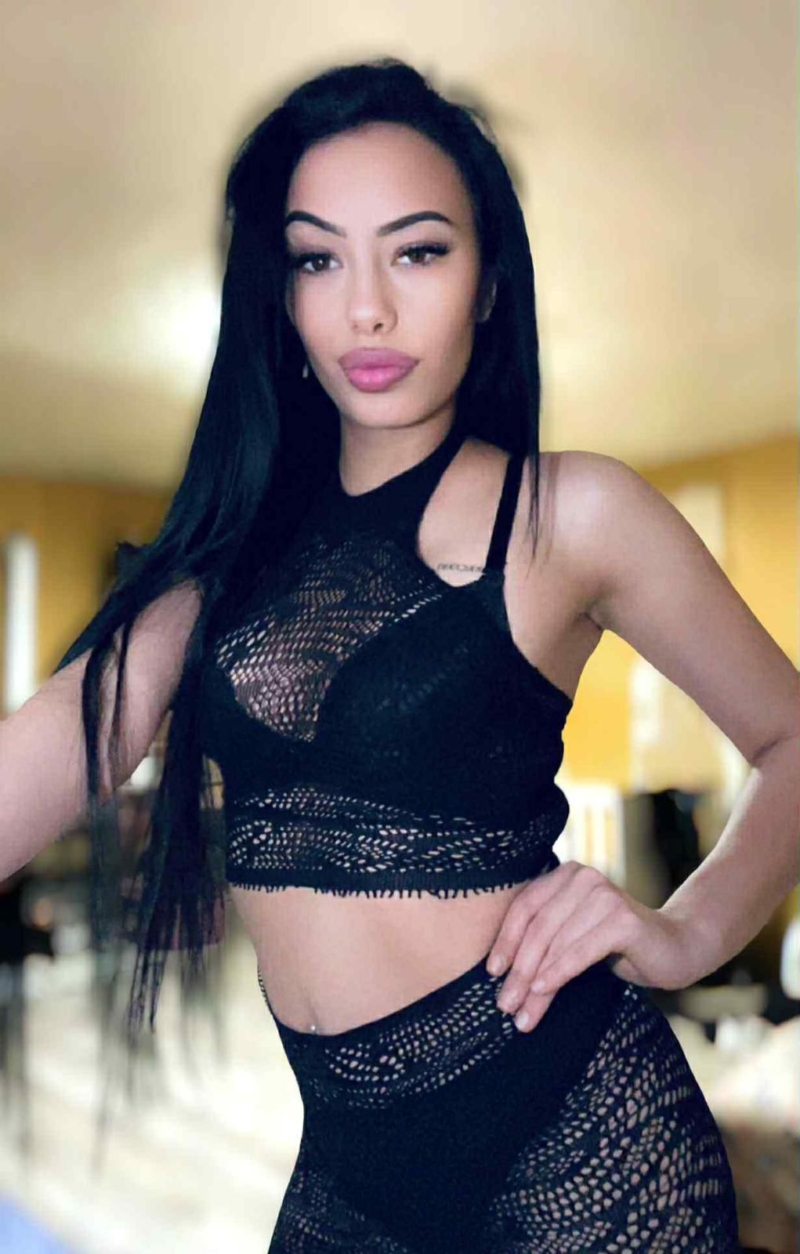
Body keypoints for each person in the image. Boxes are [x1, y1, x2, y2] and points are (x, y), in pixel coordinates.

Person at [1, 56, 797, 1252]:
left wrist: (686, 932)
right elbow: (36, 761)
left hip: (586, 1148)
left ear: (486, 284)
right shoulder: (218, 574)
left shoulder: (570, 516)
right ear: (280, 295)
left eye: (417, 251)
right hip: (347, 1183)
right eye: (318, 260)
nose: (366, 308)